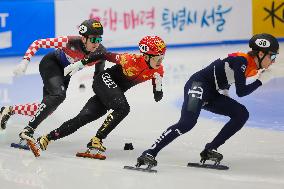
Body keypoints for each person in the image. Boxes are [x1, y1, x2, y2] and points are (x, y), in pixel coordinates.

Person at [135, 33, 279, 168]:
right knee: (187, 123)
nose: (273, 61)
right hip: (197, 85)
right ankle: (149, 152)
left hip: (211, 92)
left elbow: (223, 72)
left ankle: (210, 148)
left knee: (241, 114)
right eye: (272, 57)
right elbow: (241, 92)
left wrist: (224, 91)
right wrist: (260, 81)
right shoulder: (242, 61)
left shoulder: (251, 66)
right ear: (260, 53)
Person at [36, 36, 166, 154]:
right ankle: (97, 139)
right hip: (103, 80)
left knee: (84, 117)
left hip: (112, 93)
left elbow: (157, 98)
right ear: (146, 56)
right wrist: (79, 63)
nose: (160, 61)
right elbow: (103, 55)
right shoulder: (130, 59)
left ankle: (47, 137)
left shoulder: (158, 70)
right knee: (123, 108)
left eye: (162, 57)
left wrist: (158, 86)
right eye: (157, 58)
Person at [0, 19, 106, 143]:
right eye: (93, 39)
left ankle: (9, 110)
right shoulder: (70, 42)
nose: (96, 43)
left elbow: (97, 77)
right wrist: (25, 61)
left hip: (65, 74)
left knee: (47, 108)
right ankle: (28, 130)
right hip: (51, 64)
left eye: (99, 39)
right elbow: (38, 43)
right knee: (58, 95)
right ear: (83, 39)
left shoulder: (100, 53)